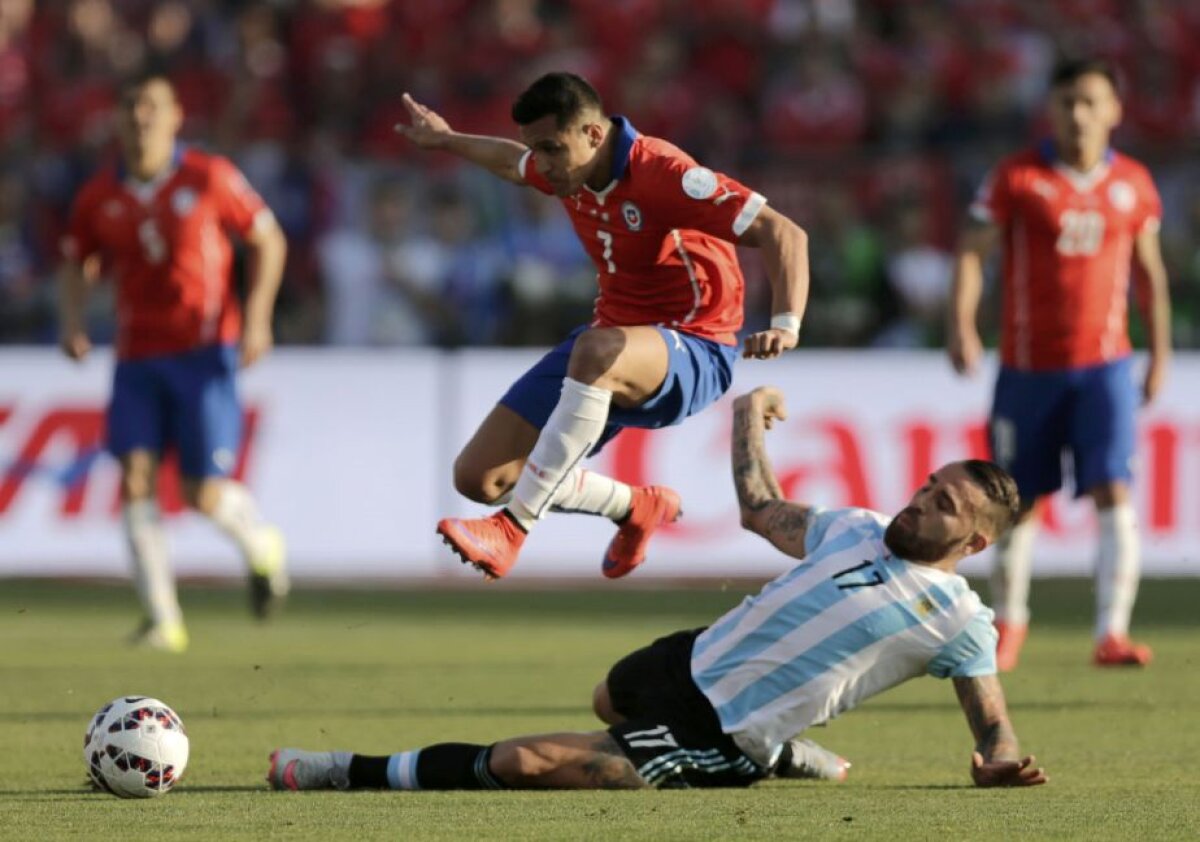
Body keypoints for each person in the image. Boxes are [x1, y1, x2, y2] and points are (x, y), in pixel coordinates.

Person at [266, 386, 1047, 792]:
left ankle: (340, 770)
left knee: (529, 763)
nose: (919, 501)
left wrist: (1000, 760)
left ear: (975, 542)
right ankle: (788, 755)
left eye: (943, 505)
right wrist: (747, 415)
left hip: (720, 734)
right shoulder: (856, 525)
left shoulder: (958, 619)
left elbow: (993, 722)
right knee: (607, 699)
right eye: (928, 485)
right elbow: (758, 509)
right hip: (692, 660)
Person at [394, 72, 811, 580]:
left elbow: (783, 232)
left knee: (592, 351)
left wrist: (786, 323)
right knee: (479, 476)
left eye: (550, 149)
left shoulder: (663, 173)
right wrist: (446, 140)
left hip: (696, 346)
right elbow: (510, 162)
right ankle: (635, 507)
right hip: (611, 347)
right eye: (538, 150)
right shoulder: (568, 166)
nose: (542, 167)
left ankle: (512, 528)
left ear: (592, 134)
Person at [947, 57, 1172, 670]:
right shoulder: (1017, 176)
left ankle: (1111, 632)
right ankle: (1011, 625)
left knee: (1113, 489)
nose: (1079, 113)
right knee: (1019, 500)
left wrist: (1159, 352)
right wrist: (962, 325)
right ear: (1052, 108)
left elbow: (1148, 274)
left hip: (1105, 369)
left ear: (1114, 111)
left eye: (1090, 101)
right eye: (1067, 101)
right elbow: (971, 254)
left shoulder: (1133, 182)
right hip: (1026, 371)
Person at [58, 72, 291, 653]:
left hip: (204, 353)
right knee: (134, 480)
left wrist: (258, 318)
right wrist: (73, 321)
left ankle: (262, 545)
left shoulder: (209, 176)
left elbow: (268, 239)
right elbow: (77, 260)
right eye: (132, 106)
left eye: (152, 107)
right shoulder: (98, 196)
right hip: (137, 357)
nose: (142, 118)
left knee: (201, 494)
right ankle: (164, 619)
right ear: (117, 117)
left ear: (175, 116)